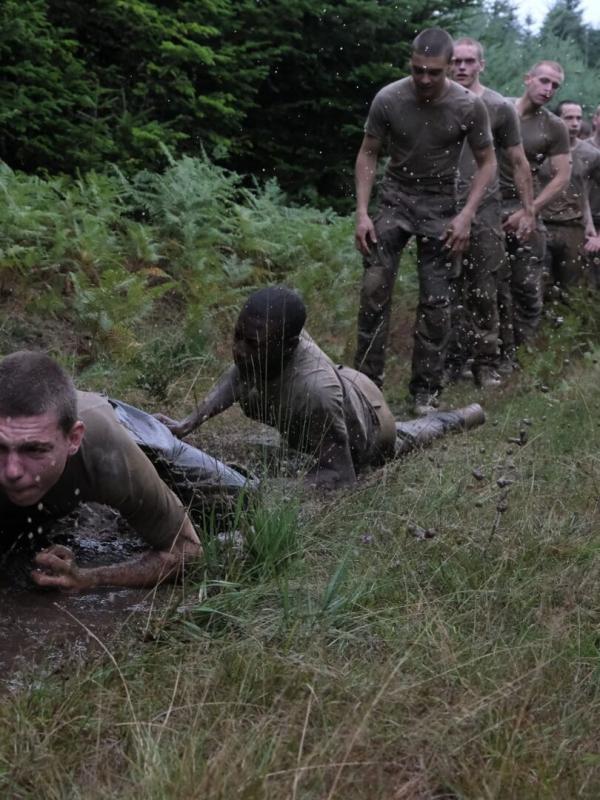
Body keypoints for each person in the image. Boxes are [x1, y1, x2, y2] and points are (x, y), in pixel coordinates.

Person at [157, 287, 486, 490]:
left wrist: (260, 487)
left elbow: (342, 479)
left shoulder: (315, 393)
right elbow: (237, 376)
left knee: (406, 437)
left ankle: (463, 416)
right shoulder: (265, 349)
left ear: (288, 347)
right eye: (237, 337)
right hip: (345, 383)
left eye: (252, 343)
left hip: (372, 420)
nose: (240, 350)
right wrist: (187, 424)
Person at [0, 351, 251, 591]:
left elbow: (187, 550)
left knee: (242, 496)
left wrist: (90, 577)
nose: (12, 471)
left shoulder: (105, 450)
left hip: (115, 424)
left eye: (34, 450)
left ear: (73, 439)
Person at [353, 27, 496, 415]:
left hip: (441, 208)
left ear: (450, 67)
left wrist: (466, 215)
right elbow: (368, 153)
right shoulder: (389, 98)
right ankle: (366, 387)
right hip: (395, 201)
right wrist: (363, 212)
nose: (425, 80)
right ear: (410, 64)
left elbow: (488, 163)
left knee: (436, 302)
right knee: (374, 292)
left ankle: (425, 392)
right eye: (418, 70)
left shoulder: (468, 106)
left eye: (434, 72)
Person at [448, 37, 534, 386]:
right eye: (457, 61)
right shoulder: (435, 102)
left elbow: (517, 159)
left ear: (481, 64)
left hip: (485, 207)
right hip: (440, 205)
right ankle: (453, 362)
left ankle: (487, 362)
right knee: (445, 288)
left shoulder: (499, 106)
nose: (462, 67)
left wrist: (529, 210)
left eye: (470, 61)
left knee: (484, 286)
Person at [498, 61, 570, 359]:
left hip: (526, 207)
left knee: (527, 286)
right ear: (527, 78)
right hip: (487, 206)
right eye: (543, 81)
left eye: (555, 85)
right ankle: (482, 355)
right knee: (484, 285)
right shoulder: (498, 109)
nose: (548, 89)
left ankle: (522, 356)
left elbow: (562, 176)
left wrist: (530, 211)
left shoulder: (554, 126)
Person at [538, 100, 600, 290]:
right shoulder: (540, 150)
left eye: (579, 118)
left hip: (574, 226)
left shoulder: (591, 155)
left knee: (573, 289)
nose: (575, 123)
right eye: (569, 118)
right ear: (557, 120)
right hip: (541, 224)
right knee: (538, 285)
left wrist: (596, 232)